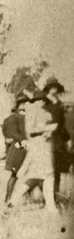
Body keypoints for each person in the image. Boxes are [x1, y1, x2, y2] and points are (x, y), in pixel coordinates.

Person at [15, 88, 59, 212]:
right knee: (36, 176)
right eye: (37, 100)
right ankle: (14, 201)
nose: (40, 102)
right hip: (37, 147)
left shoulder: (46, 113)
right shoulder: (32, 113)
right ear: (34, 101)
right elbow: (29, 130)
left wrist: (49, 132)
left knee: (47, 175)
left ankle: (50, 206)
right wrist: (46, 128)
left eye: (42, 100)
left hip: (46, 146)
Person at [42, 76, 71, 204]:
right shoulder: (44, 104)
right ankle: (48, 198)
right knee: (48, 170)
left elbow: (62, 124)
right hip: (48, 139)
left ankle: (56, 196)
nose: (53, 89)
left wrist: (68, 139)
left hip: (59, 140)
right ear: (47, 89)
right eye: (51, 87)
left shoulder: (59, 103)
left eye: (55, 87)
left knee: (57, 169)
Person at [2, 92, 29, 207]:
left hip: (28, 147)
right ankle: (8, 199)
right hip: (19, 148)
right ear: (18, 105)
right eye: (21, 103)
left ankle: (25, 199)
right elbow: (11, 132)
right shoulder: (13, 117)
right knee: (15, 174)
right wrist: (23, 140)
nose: (24, 105)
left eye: (26, 103)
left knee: (31, 174)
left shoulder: (30, 116)